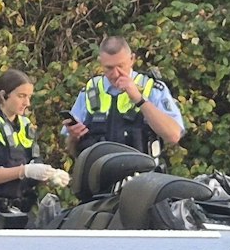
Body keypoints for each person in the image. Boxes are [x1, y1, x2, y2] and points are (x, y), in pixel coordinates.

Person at [65, 35, 186, 164]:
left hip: (141, 177)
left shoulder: (152, 89)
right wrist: (74, 137)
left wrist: (139, 99)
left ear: (132, 59)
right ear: (101, 62)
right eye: (109, 68)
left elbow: (173, 135)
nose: (116, 74)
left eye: (121, 66)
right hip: (98, 175)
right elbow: (71, 149)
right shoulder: (90, 91)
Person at [0, 69, 67, 229]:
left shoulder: (26, 126)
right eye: (21, 96)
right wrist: (23, 171)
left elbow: (34, 166)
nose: (27, 103)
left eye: (29, 97)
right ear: (3, 95)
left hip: (25, 212)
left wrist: (50, 175)